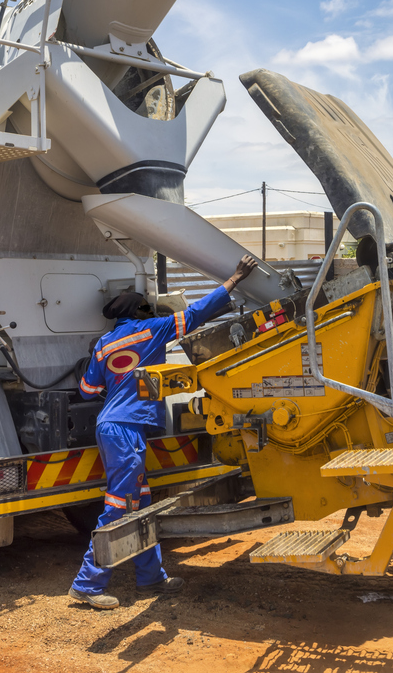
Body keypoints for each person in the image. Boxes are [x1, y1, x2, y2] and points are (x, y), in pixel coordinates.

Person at [69, 254, 259, 610]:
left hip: (113, 426)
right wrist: (234, 279)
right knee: (119, 504)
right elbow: (197, 313)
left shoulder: (103, 344)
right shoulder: (152, 331)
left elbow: (87, 391)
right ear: (141, 312)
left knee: (140, 502)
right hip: (126, 429)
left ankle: (150, 577)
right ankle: (87, 584)